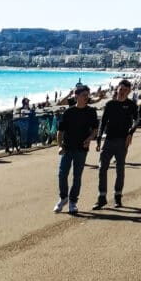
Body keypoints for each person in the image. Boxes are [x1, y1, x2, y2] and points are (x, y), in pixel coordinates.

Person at [94, 78, 138, 209]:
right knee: (102, 168)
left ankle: (118, 197)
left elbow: (137, 119)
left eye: (126, 90)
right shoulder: (110, 104)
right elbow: (103, 121)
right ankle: (101, 197)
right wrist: (98, 137)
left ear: (129, 91)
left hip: (122, 141)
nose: (123, 92)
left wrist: (131, 132)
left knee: (120, 169)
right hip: (108, 140)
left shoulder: (131, 105)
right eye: (121, 89)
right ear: (117, 89)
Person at [54, 84, 99, 214]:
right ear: (77, 96)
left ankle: (73, 202)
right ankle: (63, 198)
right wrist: (60, 146)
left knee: (77, 176)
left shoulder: (91, 112)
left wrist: (89, 139)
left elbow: (95, 129)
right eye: (84, 95)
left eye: (87, 95)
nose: (86, 97)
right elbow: (60, 131)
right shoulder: (69, 112)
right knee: (62, 174)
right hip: (67, 148)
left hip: (81, 149)